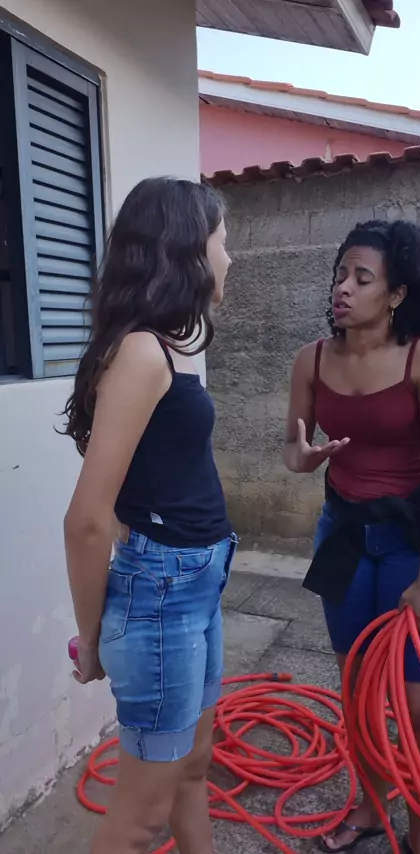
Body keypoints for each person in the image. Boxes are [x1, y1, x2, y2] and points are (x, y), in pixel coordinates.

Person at [62, 177, 237, 854]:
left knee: (194, 767)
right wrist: (92, 639)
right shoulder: (142, 352)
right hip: (162, 597)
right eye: (222, 242)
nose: (230, 257)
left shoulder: (167, 345)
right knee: (140, 819)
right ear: (188, 250)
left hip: (196, 585)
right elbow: (87, 520)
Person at [284, 220, 420, 854]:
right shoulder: (311, 359)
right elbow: (293, 451)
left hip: (412, 542)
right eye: (340, 274)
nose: (343, 288)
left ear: (396, 294)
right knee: (357, 691)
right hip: (344, 538)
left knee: (418, 701)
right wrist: (305, 458)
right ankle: (368, 804)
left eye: (362, 278)